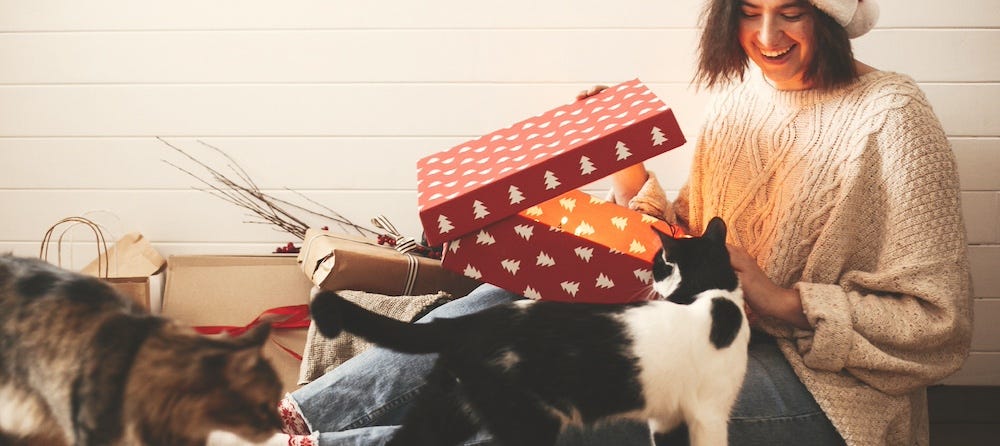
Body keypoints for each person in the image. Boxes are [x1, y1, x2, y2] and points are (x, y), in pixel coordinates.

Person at [211, 0, 972, 444]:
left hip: (821, 385)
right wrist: (629, 181)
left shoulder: (892, 118)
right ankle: (289, 426)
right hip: (697, 324)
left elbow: (938, 326)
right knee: (486, 308)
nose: (767, 38)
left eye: (794, 10)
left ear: (835, 19)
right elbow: (689, 237)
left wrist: (785, 301)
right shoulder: (742, 98)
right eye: (749, 9)